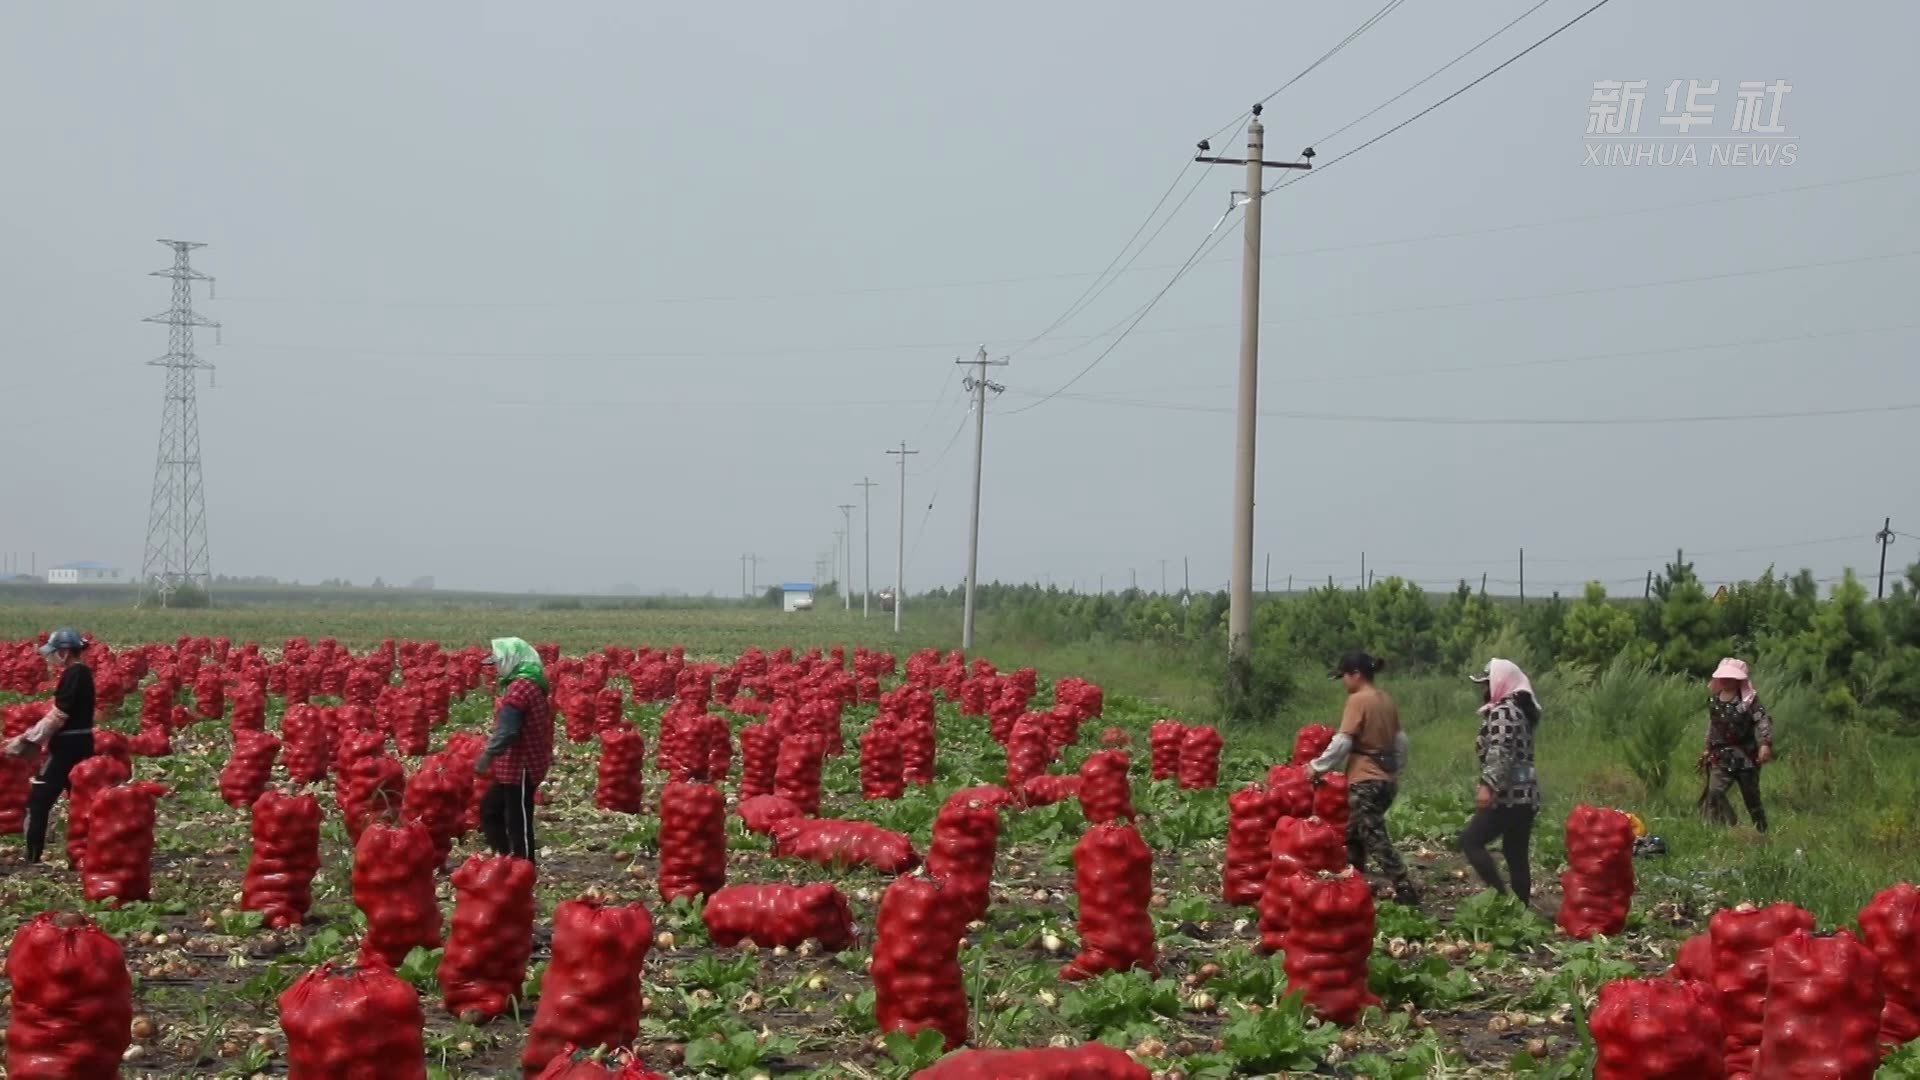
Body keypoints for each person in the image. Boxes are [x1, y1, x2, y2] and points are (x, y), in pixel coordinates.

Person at [1309, 651, 1419, 906]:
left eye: (1344, 677)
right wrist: (1395, 771)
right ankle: (1353, 882)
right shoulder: (1386, 700)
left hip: (1365, 779)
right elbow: (1401, 741)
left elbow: (1343, 741)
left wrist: (1317, 767)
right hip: (1386, 780)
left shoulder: (1358, 700)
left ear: (1356, 675)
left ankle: (1403, 885)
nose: (1344, 684)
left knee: (1372, 834)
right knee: (1353, 833)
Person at [3, 629, 97, 864]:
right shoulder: (81, 674)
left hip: (67, 746)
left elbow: (59, 715)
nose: (50, 658)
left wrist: (27, 738)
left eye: (53, 653)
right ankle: (88, 852)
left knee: (38, 801)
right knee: (82, 798)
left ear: (64, 652)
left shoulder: (75, 674)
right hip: (82, 742)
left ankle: (33, 857)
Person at [1461, 658, 1542, 906]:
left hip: (1509, 795)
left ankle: (1500, 896)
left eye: (1486, 683)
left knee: (1471, 840)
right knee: (1515, 853)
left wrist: (1488, 784)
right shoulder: (1519, 711)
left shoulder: (1504, 711)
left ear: (1499, 682)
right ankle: (1521, 907)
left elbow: (1500, 750)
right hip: (1526, 796)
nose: (1484, 689)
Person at [474, 637, 554, 863]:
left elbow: (508, 730)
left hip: (521, 767)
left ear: (513, 659)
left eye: (499, 662)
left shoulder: (520, 688)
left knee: (519, 820)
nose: (497, 669)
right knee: (490, 810)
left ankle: (524, 865)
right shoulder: (531, 683)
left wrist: (487, 755)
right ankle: (505, 856)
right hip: (514, 767)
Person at [1700, 656, 1772, 833]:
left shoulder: (1749, 702)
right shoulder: (1715, 701)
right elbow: (1713, 725)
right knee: (1715, 793)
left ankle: (1761, 831)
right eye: (1723, 677)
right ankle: (1726, 827)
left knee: (1751, 798)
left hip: (1745, 757)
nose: (1725, 680)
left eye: (1730, 677)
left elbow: (1762, 720)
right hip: (1721, 755)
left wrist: (1765, 744)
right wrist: (1708, 748)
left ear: (1739, 679)